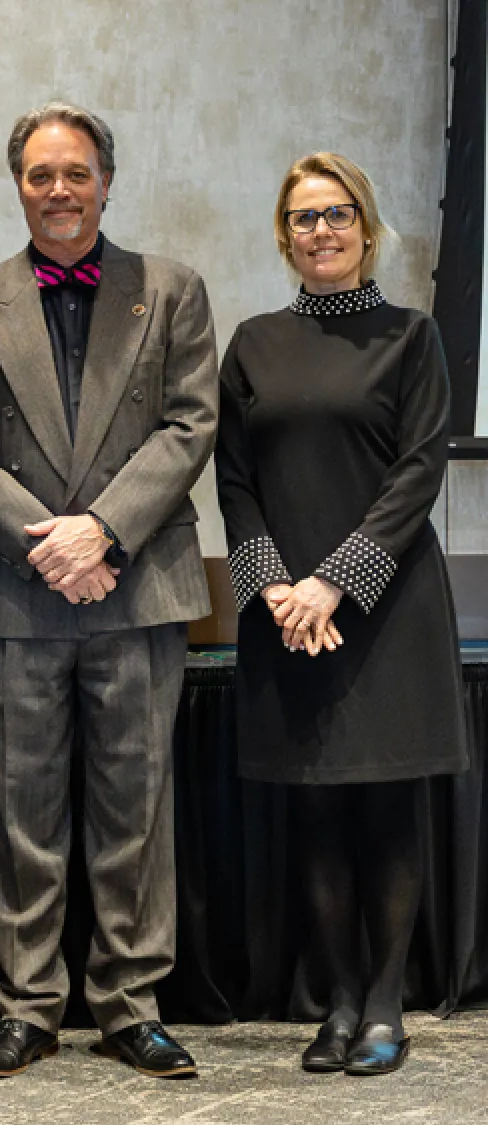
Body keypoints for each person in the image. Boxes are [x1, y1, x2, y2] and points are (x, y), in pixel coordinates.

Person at [0, 103, 218, 1080]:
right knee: (22, 810)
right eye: (41, 174)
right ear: (18, 185)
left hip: (139, 585)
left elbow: (189, 426)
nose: (60, 190)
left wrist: (104, 532)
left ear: (107, 181)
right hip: (19, 593)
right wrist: (54, 549)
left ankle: (132, 1005)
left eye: (77, 172)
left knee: (136, 807)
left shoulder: (171, 291)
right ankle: (28, 1006)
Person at [215, 152, 468, 1075]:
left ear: (366, 227)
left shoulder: (412, 336)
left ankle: (387, 1004)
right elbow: (233, 480)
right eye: (303, 217)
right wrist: (275, 587)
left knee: (387, 808)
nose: (320, 231)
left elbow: (419, 471)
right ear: (284, 236)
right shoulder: (252, 342)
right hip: (286, 611)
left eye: (336, 214)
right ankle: (338, 1003)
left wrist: (334, 582)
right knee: (315, 810)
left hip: (387, 607)